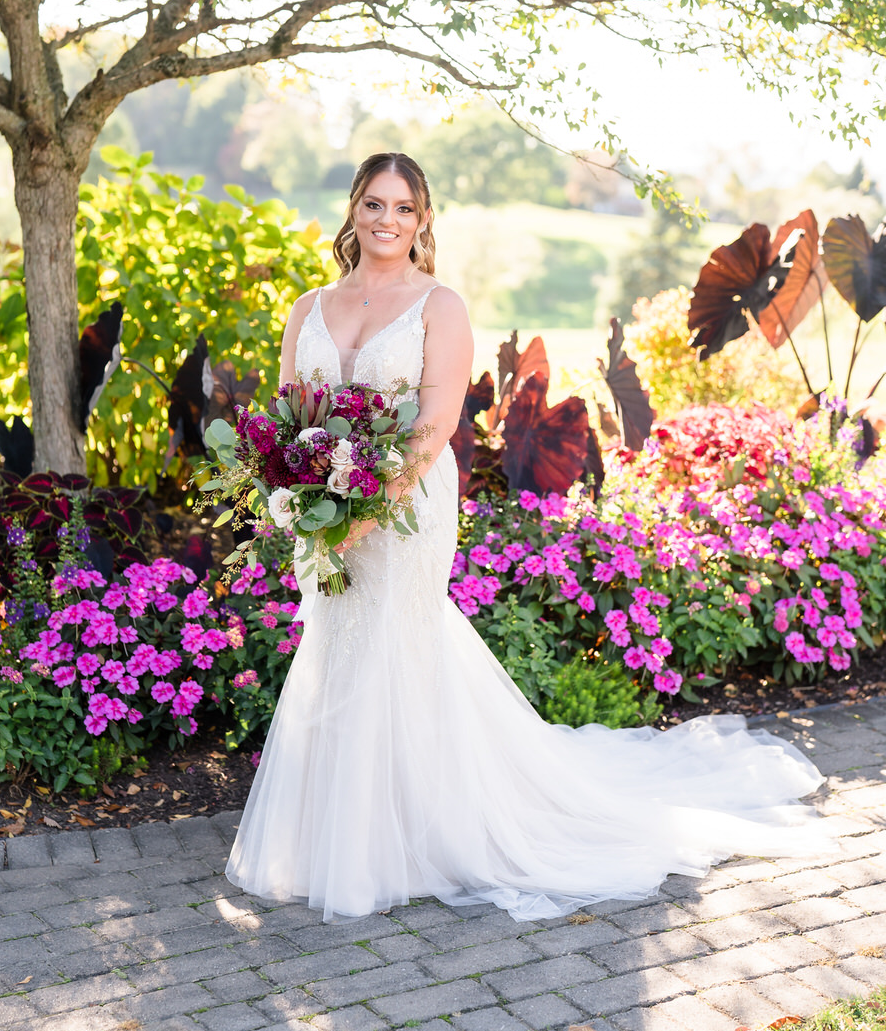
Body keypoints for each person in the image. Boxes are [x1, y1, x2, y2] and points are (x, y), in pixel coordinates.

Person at [225, 152, 832, 923]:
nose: (387, 221)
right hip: (322, 508)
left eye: (403, 209)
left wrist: (367, 513)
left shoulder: (437, 306)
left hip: (404, 506)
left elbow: (436, 421)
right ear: (353, 209)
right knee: (337, 636)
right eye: (374, 204)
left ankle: (411, 833)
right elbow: (290, 412)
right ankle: (334, 829)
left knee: (392, 637)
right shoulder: (309, 305)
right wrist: (295, 493)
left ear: (423, 220)